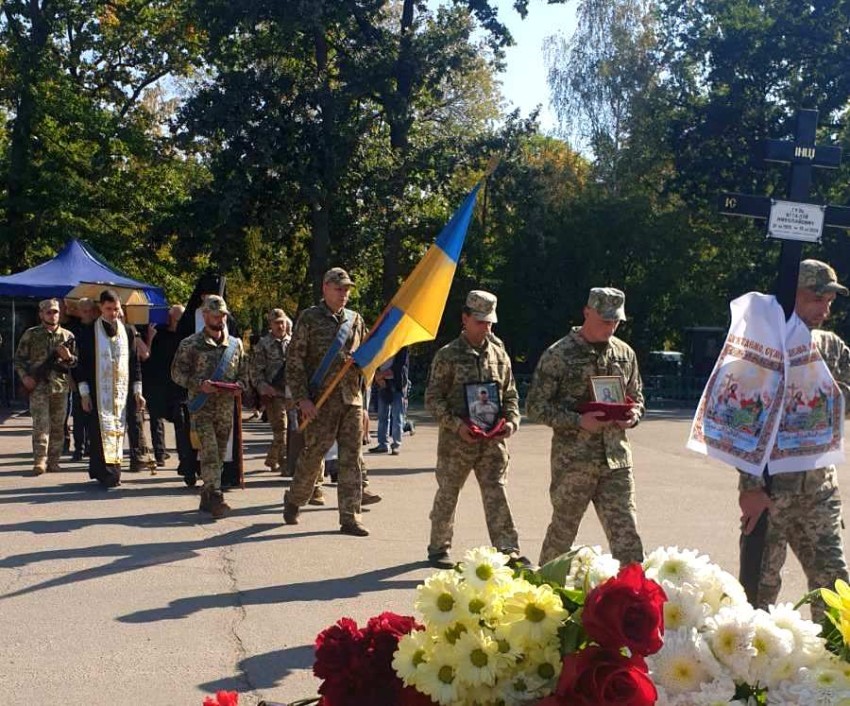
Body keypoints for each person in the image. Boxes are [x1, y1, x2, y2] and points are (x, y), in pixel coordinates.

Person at [739, 260, 850, 620]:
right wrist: (750, 486)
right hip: (772, 489)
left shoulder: (831, 346)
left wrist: (830, 398)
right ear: (792, 296)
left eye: (830, 301)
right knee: (759, 587)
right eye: (816, 298)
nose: (824, 309)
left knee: (834, 586)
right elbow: (743, 418)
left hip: (819, 489)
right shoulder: (762, 345)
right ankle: (753, 672)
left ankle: (834, 667)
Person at [526, 287, 645, 567]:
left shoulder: (625, 354)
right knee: (561, 538)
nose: (611, 326)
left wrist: (632, 416)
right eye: (605, 320)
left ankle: (635, 604)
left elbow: (637, 397)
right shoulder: (559, 355)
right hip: (573, 463)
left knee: (628, 540)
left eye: (615, 320)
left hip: (616, 461)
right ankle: (544, 600)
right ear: (586, 313)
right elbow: (535, 406)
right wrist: (578, 420)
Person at [424, 290, 526, 569]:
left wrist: (511, 422)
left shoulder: (499, 354)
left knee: (497, 494)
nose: (486, 327)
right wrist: (456, 425)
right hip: (458, 442)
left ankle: (507, 550)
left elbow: (511, 395)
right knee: (448, 493)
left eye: (490, 322)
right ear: (465, 318)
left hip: (492, 443)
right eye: (480, 321)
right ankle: (438, 548)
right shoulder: (448, 356)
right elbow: (432, 399)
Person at [282, 267, 370, 536]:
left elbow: (366, 362)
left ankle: (350, 517)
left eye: (346, 289)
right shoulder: (309, 318)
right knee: (313, 456)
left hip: (351, 399)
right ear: (325, 288)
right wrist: (302, 399)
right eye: (338, 288)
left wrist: (364, 401)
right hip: (320, 401)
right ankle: (295, 498)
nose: (343, 294)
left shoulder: (356, 320)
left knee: (351, 459)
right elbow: (294, 363)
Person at [171, 295, 248, 518]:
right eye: (215, 315)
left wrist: (240, 386)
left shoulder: (235, 345)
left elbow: (244, 373)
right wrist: (199, 385)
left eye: (223, 315)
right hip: (201, 407)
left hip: (225, 408)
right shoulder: (190, 344)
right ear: (205, 316)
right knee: (210, 451)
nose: (220, 319)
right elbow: (176, 374)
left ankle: (206, 495)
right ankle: (216, 496)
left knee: (220, 452)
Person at [72, 289, 144, 488]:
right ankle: (105, 472)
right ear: (101, 308)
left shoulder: (128, 331)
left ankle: (112, 472)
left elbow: (134, 363)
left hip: (122, 392)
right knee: (99, 431)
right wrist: (84, 393)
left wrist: (138, 390)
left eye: (116, 309)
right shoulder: (89, 332)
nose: (113, 313)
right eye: (108, 309)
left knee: (119, 429)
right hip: (97, 391)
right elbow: (81, 365)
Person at [14, 299, 78, 475]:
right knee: (41, 425)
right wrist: (25, 377)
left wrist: (69, 357)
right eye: (48, 312)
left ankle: (54, 461)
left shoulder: (68, 336)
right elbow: (19, 360)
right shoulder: (31, 334)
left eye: (56, 311)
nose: (53, 315)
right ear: (41, 314)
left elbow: (75, 363)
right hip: (38, 387)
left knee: (58, 426)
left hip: (60, 386)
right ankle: (40, 461)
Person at [142, 304, 185, 466]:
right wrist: (150, 337)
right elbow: (148, 355)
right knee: (156, 418)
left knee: (180, 420)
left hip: (177, 383)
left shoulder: (185, 336)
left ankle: (184, 455)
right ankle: (159, 453)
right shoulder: (159, 333)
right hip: (157, 381)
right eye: (174, 316)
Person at [251, 308, 292, 474]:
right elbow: (255, 370)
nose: (280, 326)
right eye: (276, 323)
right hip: (273, 393)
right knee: (281, 428)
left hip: (293, 392)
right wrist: (262, 386)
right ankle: (284, 463)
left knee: (293, 429)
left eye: (282, 322)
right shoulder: (263, 344)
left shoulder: (293, 342)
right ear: (270, 325)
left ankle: (271, 458)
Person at [67, 298, 97, 461]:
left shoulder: (99, 328)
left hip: (96, 375)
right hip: (78, 373)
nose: (87, 313)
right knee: (78, 415)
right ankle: (79, 448)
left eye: (90, 310)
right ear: (78, 312)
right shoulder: (73, 330)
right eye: (84, 310)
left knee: (93, 414)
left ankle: (92, 446)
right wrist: (71, 378)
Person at [369, 347, 410, 455]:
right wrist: (377, 376)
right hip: (382, 383)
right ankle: (382, 444)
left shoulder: (402, 345)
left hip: (397, 383)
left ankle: (396, 445)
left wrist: (381, 375)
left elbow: (400, 366)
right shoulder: (381, 342)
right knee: (382, 416)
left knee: (397, 416)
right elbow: (375, 360)